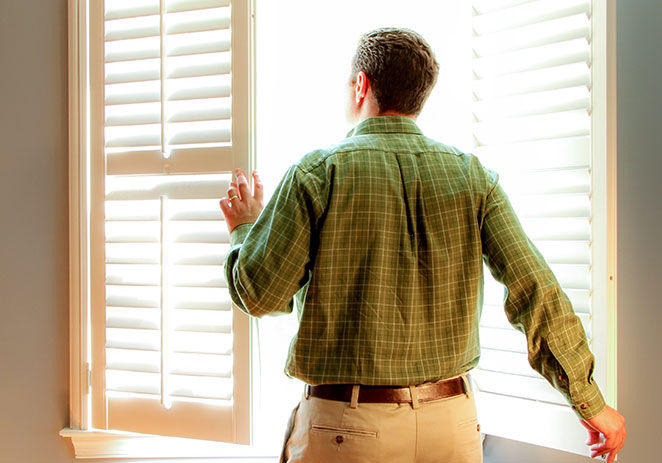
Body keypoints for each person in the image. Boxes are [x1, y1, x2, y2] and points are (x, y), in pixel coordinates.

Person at [220, 27, 626, 463]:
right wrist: (590, 401)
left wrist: (246, 227)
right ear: (420, 96)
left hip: (347, 429)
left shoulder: (317, 174)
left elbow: (261, 294)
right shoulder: (474, 178)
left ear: (362, 85)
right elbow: (536, 290)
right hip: (451, 425)